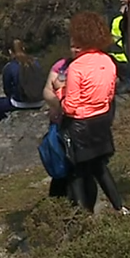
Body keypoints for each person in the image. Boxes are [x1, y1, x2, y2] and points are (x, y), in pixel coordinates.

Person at [52, 12, 128, 215]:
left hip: (80, 125)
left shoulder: (77, 67)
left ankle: (81, 213)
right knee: (100, 167)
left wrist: (59, 91)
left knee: (77, 171)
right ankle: (119, 207)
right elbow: (109, 94)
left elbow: (70, 107)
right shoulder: (108, 61)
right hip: (101, 121)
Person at [42, 44, 80, 198]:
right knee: (60, 158)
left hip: (79, 121)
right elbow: (47, 90)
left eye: (79, 46)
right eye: (72, 46)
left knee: (78, 164)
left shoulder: (89, 66)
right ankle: (58, 201)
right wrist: (58, 105)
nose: (75, 49)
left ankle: (77, 199)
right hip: (59, 122)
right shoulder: (61, 65)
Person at [0, 39, 46, 123]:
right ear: (23, 48)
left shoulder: (10, 67)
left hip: (20, 103)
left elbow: (7, 90)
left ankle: (4, 122)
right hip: (40, 101)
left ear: (10, 51)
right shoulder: (36, 63)